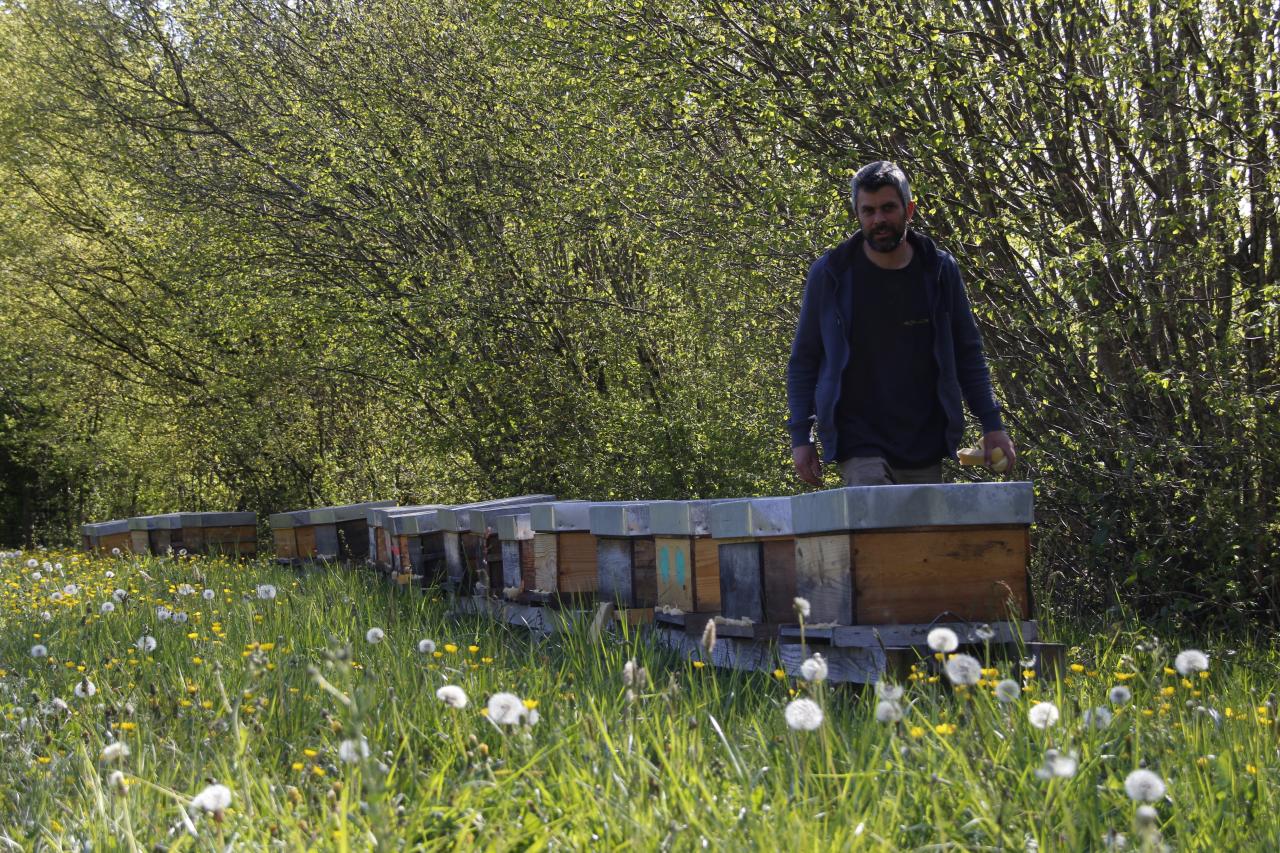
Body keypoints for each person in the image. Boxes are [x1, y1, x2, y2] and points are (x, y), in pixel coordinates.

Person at [786, 160, 1015, 487]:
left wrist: (992, 425)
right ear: (857, 214)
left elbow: (968, 353)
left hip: (924, 439)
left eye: (888, 208)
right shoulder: (831, 275)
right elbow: (803, 362)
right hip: (858, 439)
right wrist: (801, 436)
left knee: (918, 537)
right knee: (879, 523)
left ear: (909, 209)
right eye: (868, 211)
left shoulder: (938, 271)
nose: (878, 219)